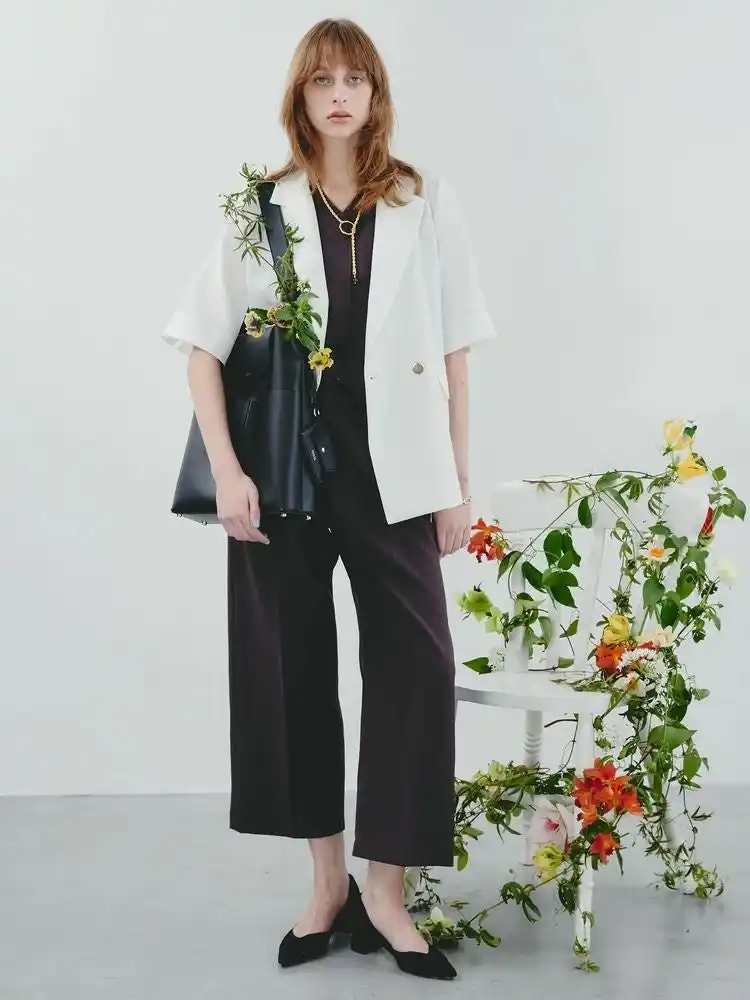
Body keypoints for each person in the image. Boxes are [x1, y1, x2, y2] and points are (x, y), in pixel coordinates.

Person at [162, 17, 497, 981]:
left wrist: (457, 482)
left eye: (355, 79)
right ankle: (324, 888)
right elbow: (201, 347)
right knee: (291, 671)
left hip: (396, 473)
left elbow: (457, 351)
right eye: (322, 81)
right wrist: (228, 470)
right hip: (284, 479)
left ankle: (385, 892)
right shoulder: (260, 208)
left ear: (376, 93)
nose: (339, 95)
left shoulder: (426, 202)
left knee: (416, 670)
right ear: (300, 97)